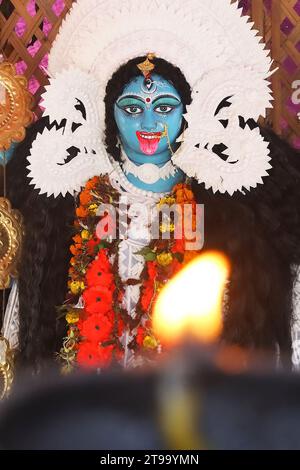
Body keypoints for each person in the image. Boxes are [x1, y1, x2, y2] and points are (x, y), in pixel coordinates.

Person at [3, 0, 300, 372]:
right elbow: (26, 328)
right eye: (131, 107)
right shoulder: (74, 200)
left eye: (163, 107)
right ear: (107, 113)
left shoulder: (228, 205)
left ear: (189, 111)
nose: (147, 122)